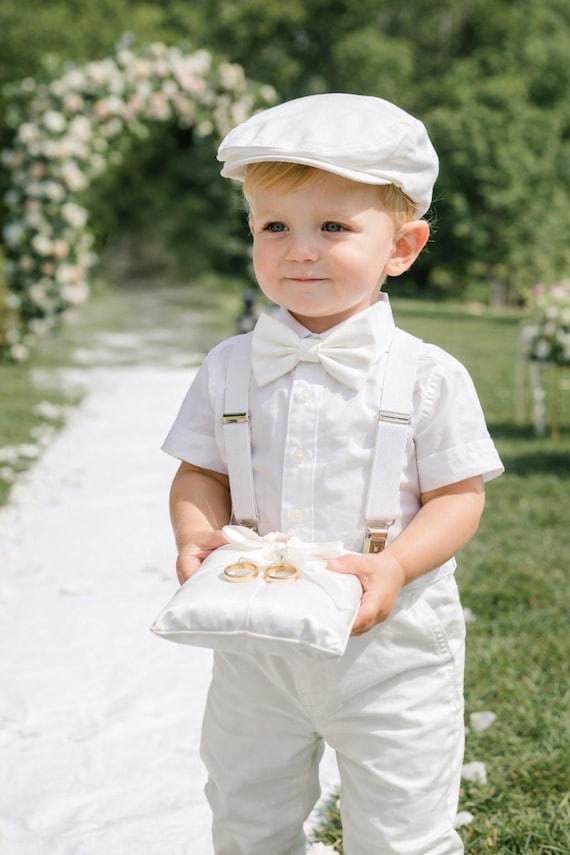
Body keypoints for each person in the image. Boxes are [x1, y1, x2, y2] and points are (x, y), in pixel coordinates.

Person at [162, 93, 504, 855]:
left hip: (392, 647)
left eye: (333, 227)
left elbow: (458, 496)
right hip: (256, 643)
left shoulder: (428, 375)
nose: (299, 250)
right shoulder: (229, 366)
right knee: (246, 814)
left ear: (402, 247)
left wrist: (398, 564)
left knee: (402, 828)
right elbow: (199, 469)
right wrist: (195, 531)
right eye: (275, 227)